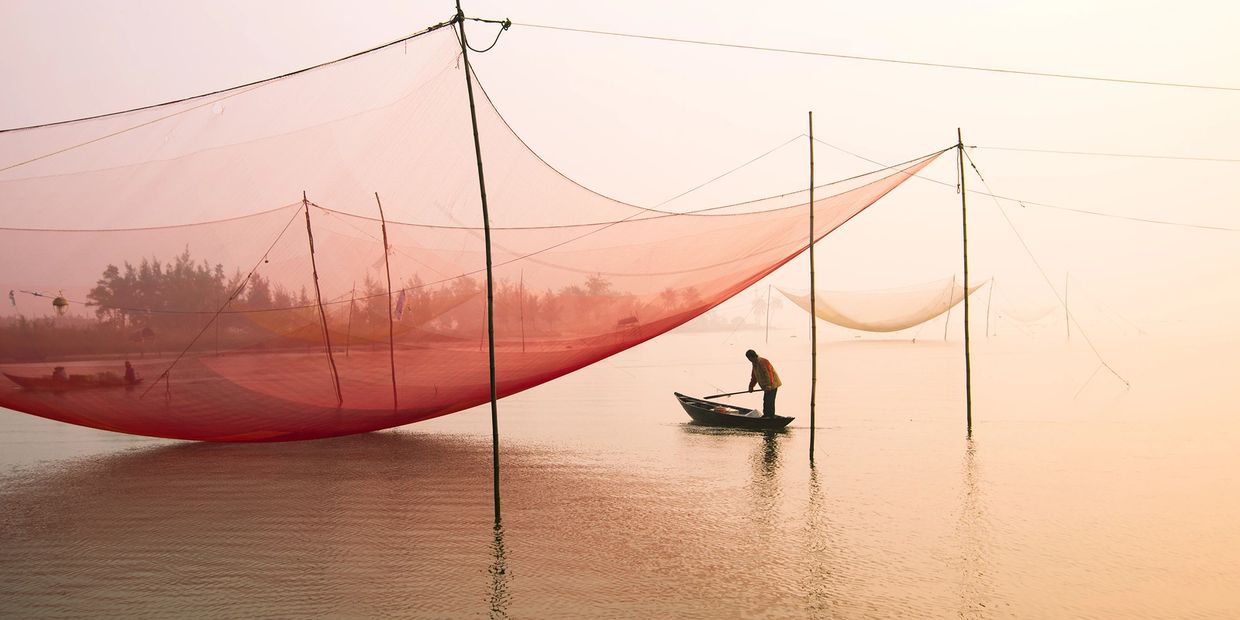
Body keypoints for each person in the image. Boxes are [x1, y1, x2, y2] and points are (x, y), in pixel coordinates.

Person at [745, 349, 781, 418]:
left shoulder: (763, 361)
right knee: (766, 400)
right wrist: (751, 386)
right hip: (766, 386)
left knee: (769, 400)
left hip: (772, 384)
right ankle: (767, 415)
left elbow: (768, 374)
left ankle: (770, 416)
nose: (749, 360)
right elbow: (754, 376)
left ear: (752, 357)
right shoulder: (754, 363)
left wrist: (769, 385)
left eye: (749, 358)